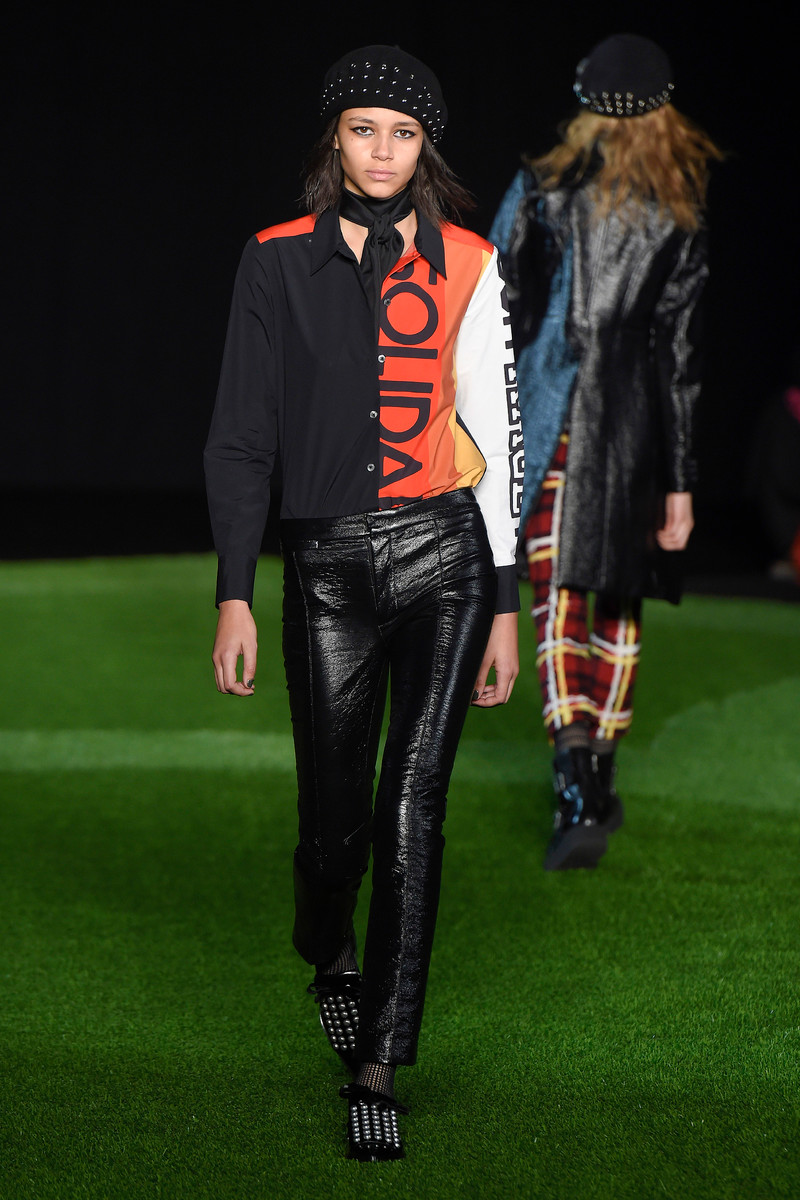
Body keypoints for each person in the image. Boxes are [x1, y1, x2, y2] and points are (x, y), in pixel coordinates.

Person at [204, 45, 523, 1161]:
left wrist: (503, 602)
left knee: (409, 811)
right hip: (328, 567)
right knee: (333, 826)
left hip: (444, 557)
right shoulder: (274, 259)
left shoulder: (470, 262)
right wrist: (235, 593)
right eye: (362, 129)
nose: (382, 152)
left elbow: (498, 439)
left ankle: (379, 1060)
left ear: (425, 146)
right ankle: (325, 947)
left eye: (403, 133)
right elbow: (241, 436)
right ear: (333, 139)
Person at [490, 33, 722, 871]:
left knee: (558, 599)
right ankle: (599, 776)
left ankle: (577, 782)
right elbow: (678, 356)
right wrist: (681, 483)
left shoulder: (544, 185)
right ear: (665, 116)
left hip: (552, 412)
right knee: (618, 601)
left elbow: (492, 300)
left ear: (588, 106)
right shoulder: (679, 208)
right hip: (633, 432)